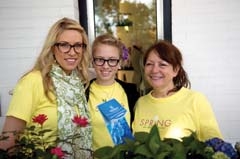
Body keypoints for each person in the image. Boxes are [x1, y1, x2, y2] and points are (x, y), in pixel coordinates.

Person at [0, 17, 93, 159]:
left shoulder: (77, 83)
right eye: (64, 45)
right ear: (52, 47)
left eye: (78, 45)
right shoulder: (33, 81)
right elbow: (7, 142)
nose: (73, 52)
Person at [132, 40, 223, 141]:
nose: (154, 70)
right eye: (149, 64)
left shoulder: (195, 100)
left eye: (162, 64)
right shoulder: (141, 103)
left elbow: (214, 142)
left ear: (175, 70)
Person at [85, 34, 139, 151]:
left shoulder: (132, 92)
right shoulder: (83, 92)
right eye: (100, 59)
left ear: (119, 62)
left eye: (112, 60)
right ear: (92, 61)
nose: (105, 66)